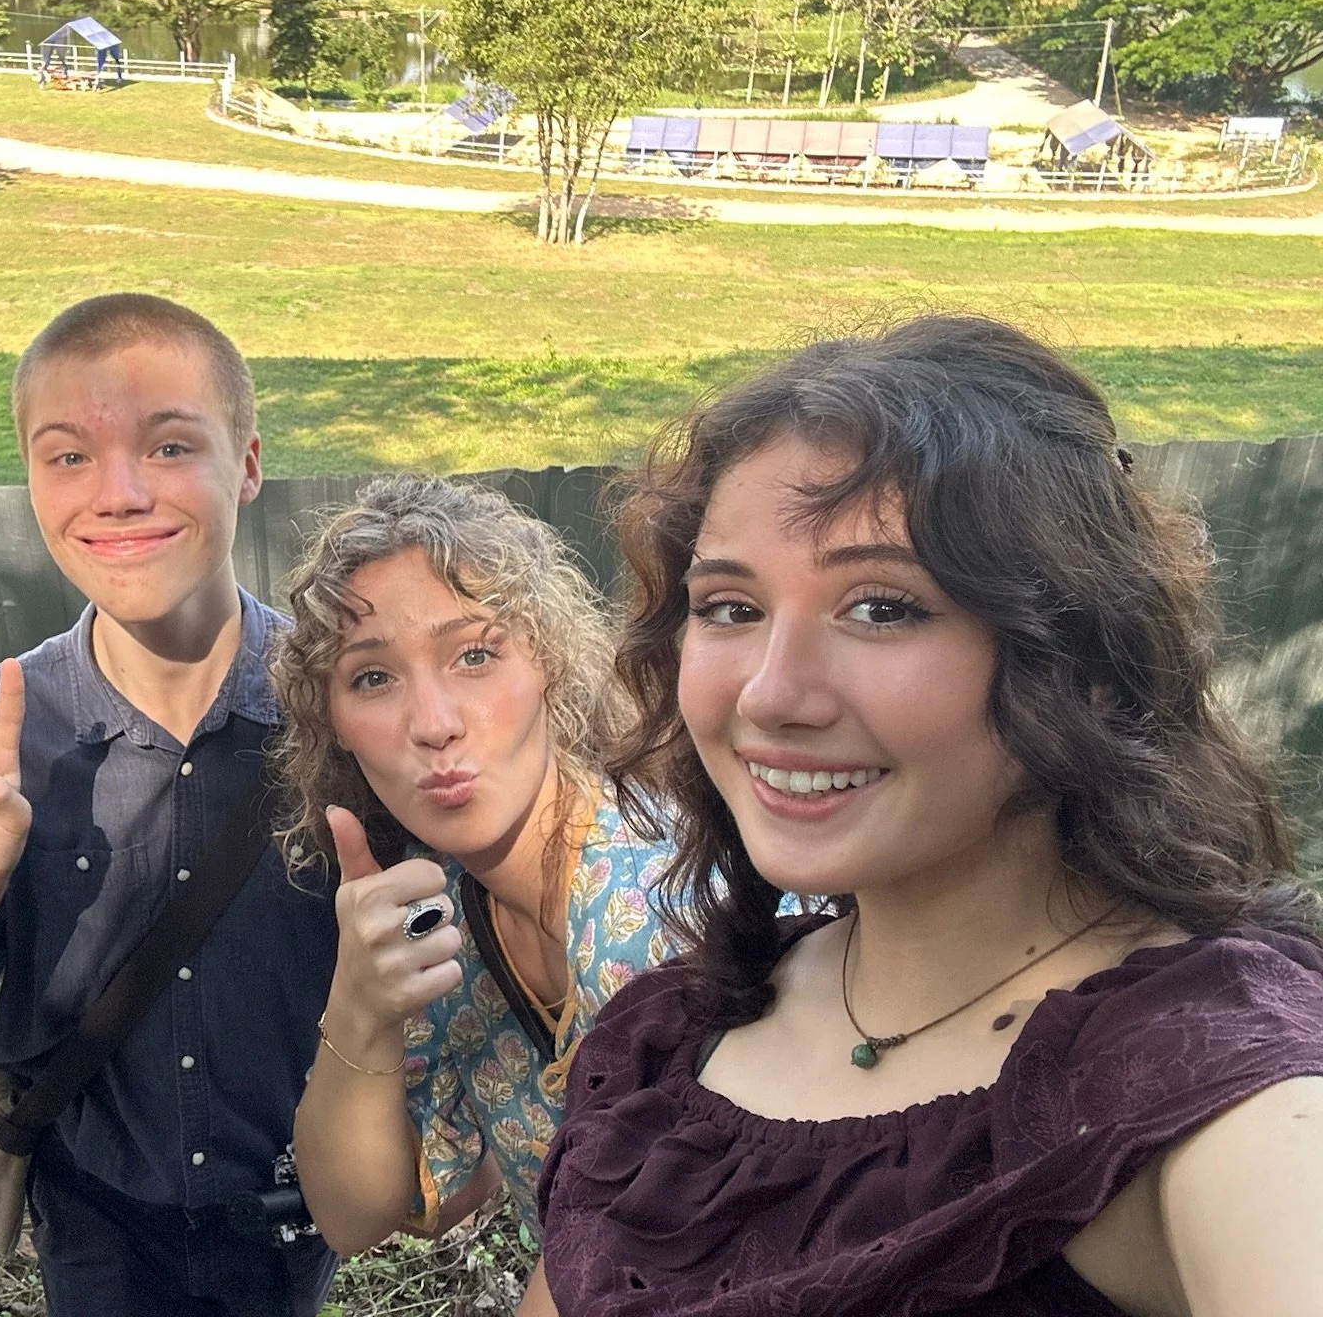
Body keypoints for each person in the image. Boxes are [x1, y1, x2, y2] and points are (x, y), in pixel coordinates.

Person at [525, 315, 1323, 1317]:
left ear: (1069, 654)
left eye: (881, 608)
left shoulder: (1210, 1082)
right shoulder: (656, 1047)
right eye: (729, 608)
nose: (770, 695)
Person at [0, 294, 342, 1317]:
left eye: (170, 446)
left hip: (287, 1209)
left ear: (247, 464)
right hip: (93, 1216)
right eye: (67, 456)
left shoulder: (342, 709)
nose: (119, 494)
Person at [272, 476, 674, 1256]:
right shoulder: (446, 913)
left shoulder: (666, 906)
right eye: (374, 677)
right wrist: (362, 1006)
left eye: (476, 655)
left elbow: (658, 1245)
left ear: (550, 663)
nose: (434, 723)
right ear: (337, 727)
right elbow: (365, 1218)